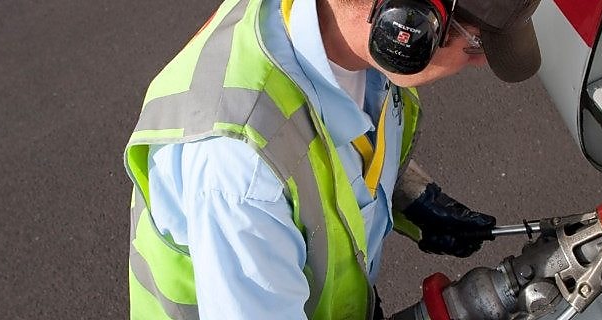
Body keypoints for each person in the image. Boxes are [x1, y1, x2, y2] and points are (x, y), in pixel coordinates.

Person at [122, 0, 542, 318]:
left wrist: (410, 195)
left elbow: (336, 143)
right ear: (406, 27)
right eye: (476, 43)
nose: (481, 61)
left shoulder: (339, 39)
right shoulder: (240, 173)